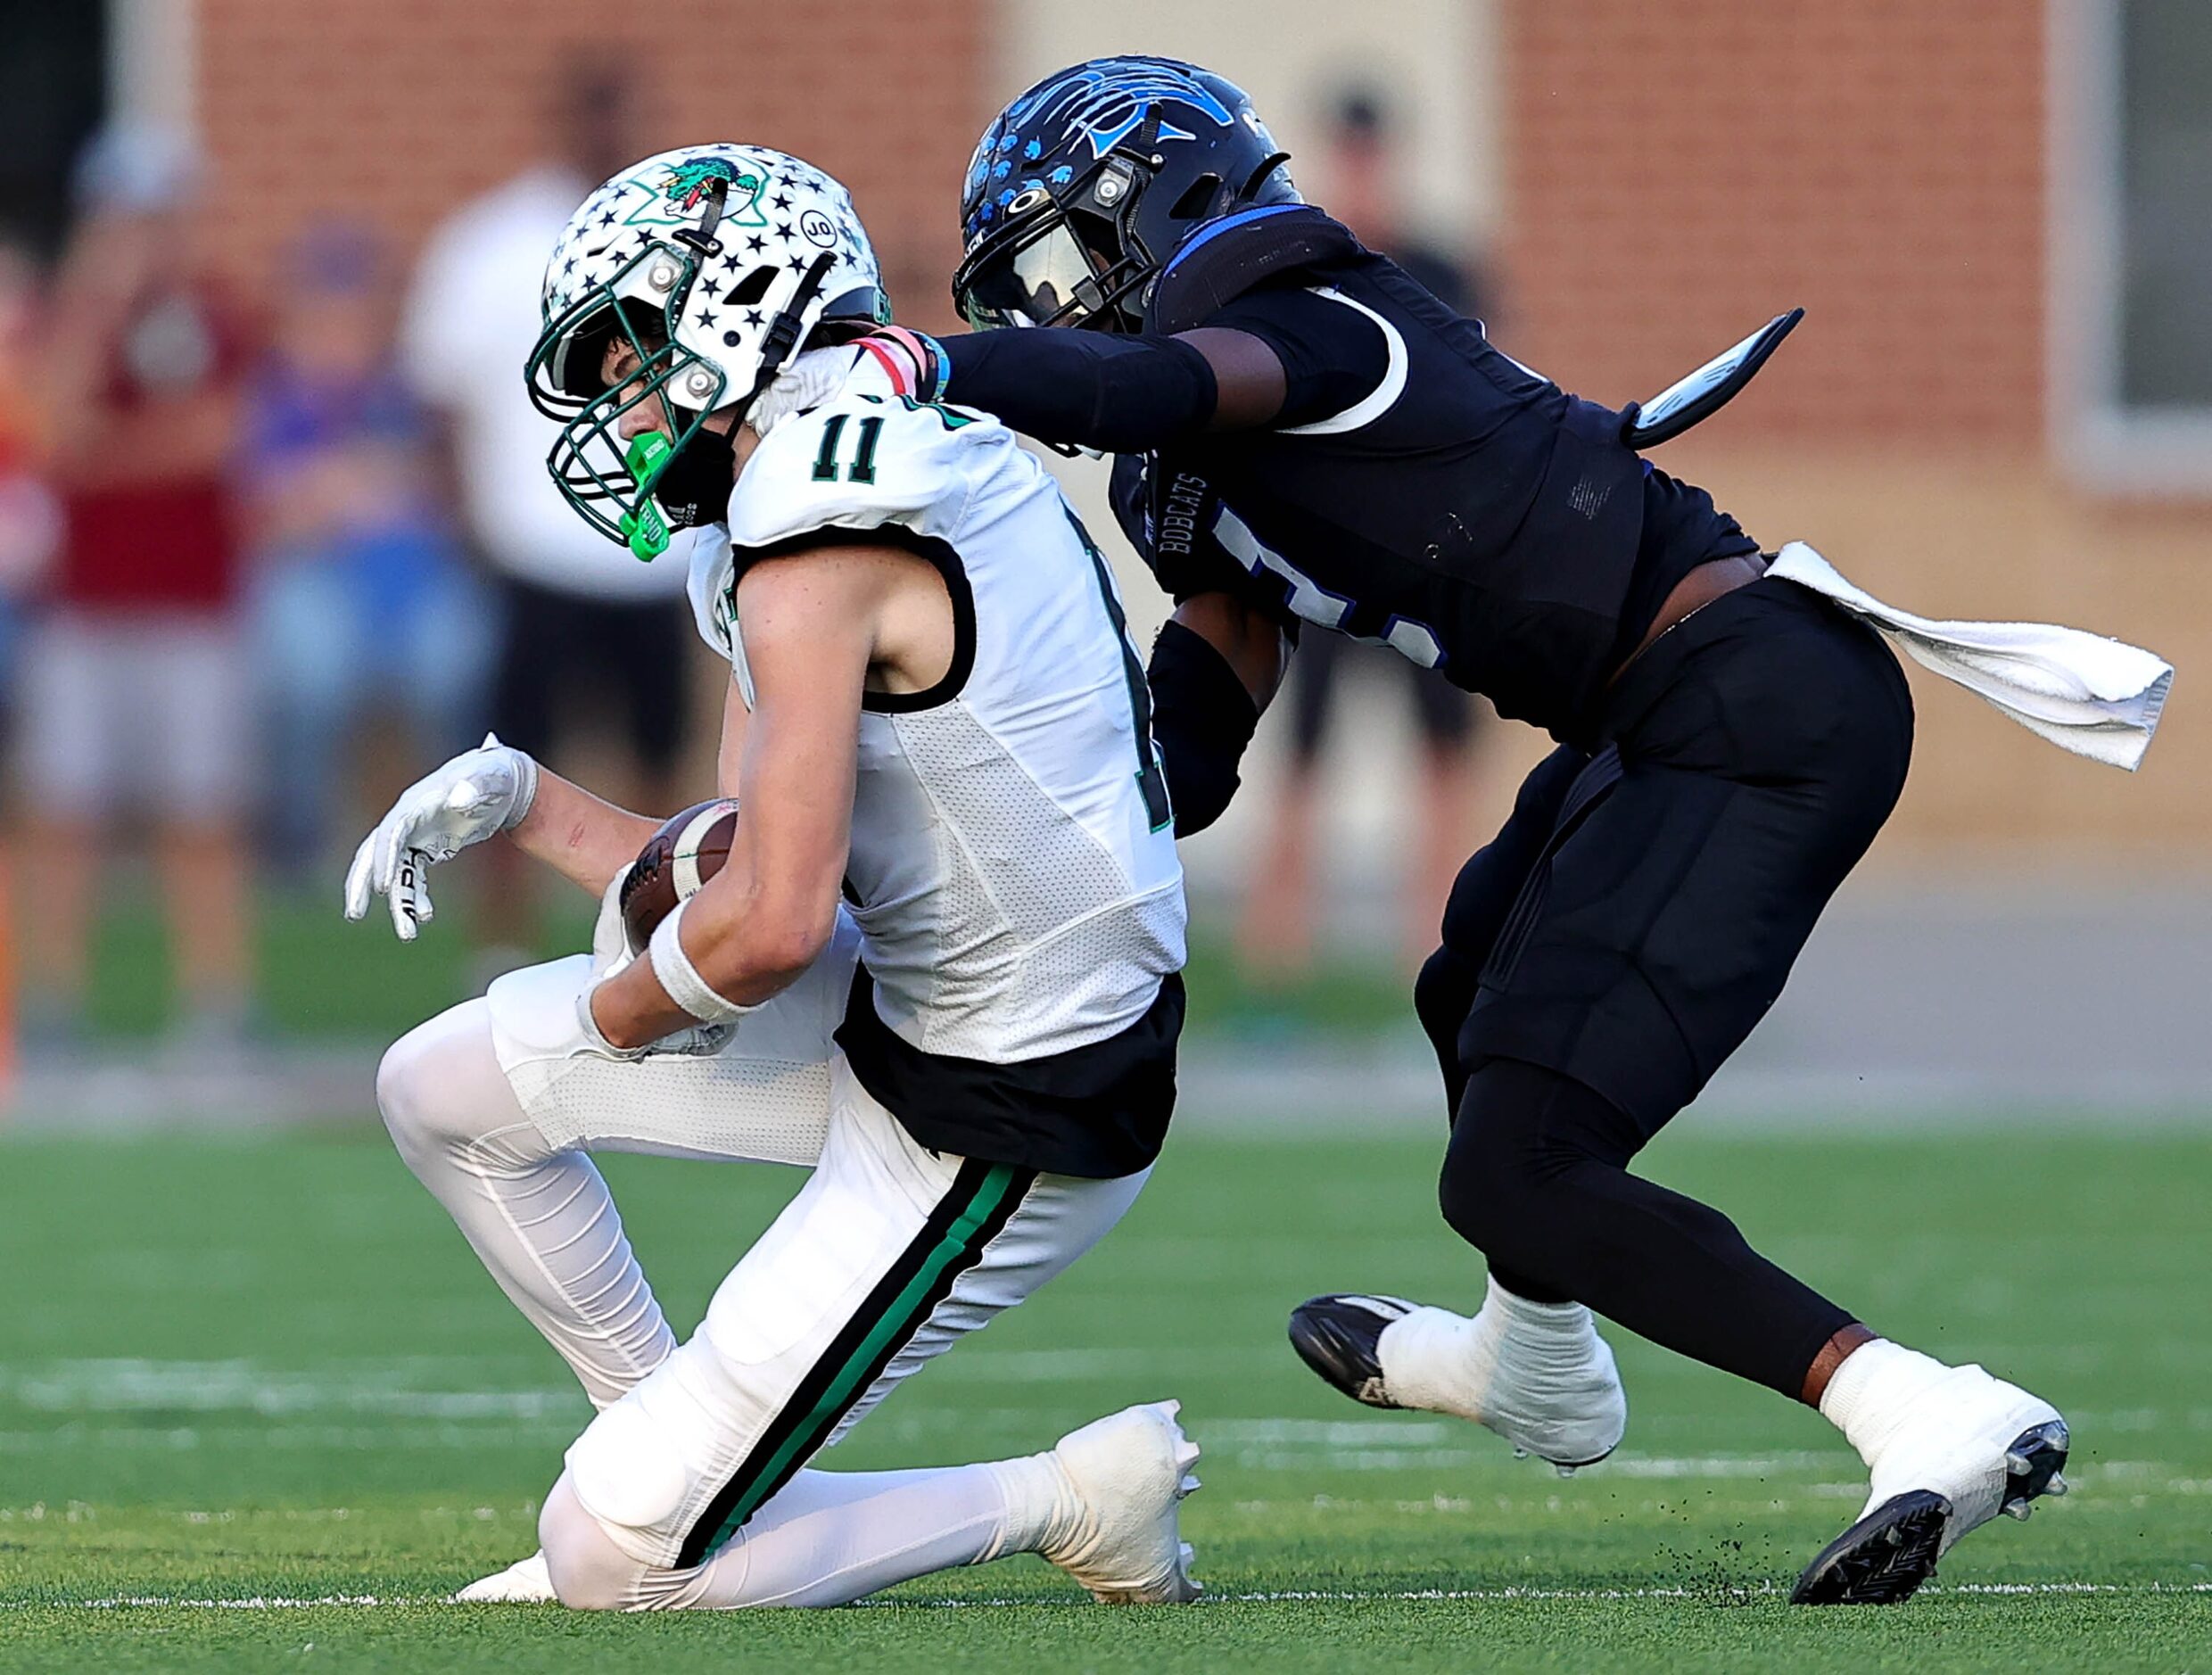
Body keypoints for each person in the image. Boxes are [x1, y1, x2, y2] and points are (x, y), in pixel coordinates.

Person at [827, 57, 2166, 1603]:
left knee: (1520, 1167)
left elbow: (1164, 384)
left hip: (1756, 700)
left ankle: (1924, 1405)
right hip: (1668, 712)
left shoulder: (1304, 299)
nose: (1053, 318)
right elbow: (1202, 713)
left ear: (1160, 200)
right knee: (1463, 984)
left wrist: (903, 365)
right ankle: (1534, 1364)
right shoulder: (1186, 453)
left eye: (1062, 270)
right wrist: (1015, 798)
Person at [347, 145, 1199, 1611]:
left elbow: (767, 928)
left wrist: (625, 1004)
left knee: (611, 1564)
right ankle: (695, 1468)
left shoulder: (820, 514)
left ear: (731, 309)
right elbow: (749, 873)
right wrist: (528, 799)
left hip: (1007, 1097)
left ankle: (1068, 1495)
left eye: (629, 349)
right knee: (443, 1087)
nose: (615, 397)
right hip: (919, 1008)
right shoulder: (831, 465)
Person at [399, 59, 692, 973]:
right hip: (531, 546)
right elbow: (440, 398)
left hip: (656, 551)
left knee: (659, 757)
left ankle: (653, 936)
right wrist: (466, 528)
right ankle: (500, 945)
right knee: (509, 766)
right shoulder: (491, 242)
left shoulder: (683, 237)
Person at [1239, 88, 1486, 976]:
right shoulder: (1298, 272)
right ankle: (1274, 962)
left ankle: (1441, 947)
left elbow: (1482, 406)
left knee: (1443, 759)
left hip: (1425, 557)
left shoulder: (1440, 271)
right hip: (1324, 559)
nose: (1359, 172)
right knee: (1300, 754)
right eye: (1343, 156)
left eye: (1368, 155)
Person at [18, 125, 255, 1048]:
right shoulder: (70, 316)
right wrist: (97, 305)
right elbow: (49, 429)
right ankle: (54, 1003)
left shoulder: (220, 313)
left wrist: (100, 456)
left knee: (201, 813)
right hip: (84, 604)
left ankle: (217, 1002)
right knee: (65, 811)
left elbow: (216, 438)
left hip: (195, 602)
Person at [243, 224, 490, 874]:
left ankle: (453, 837)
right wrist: (332, 495)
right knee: (315, 673)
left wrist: (377, 482)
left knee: (453, 662)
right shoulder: (276, 397)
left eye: (355, 316)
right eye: (324, 317)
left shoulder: (410, 393)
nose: (340, 334)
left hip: (415, 576)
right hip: (314, 573)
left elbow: (450, 499)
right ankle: (299, 838)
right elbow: (262, 511)